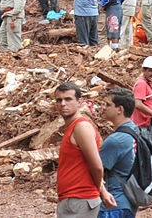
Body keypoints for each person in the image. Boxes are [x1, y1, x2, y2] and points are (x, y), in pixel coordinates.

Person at [55, 82, 110, 218]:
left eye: (68, 99)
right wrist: (102, 190)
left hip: (80, 199)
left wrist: (97, 190)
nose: (63, 103)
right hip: (73, 199)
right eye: (59, 100)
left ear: (80, 102)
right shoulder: (73, 126)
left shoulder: (81, 127)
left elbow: (97, 166)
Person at [99, 88, 140, 218]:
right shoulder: (137, 132)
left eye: (108, 104)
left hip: (113, 205)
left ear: (120, 109)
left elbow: (96, 170)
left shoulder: (115, 141)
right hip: (130, 202)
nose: (103, 108)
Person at [131, 56, 152, 156]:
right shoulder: (141, 84)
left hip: (150, 124)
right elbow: (137, 104)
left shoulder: (149, 83)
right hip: (143, 126)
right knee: (147, 154)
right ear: (144, 70)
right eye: (150, 71)